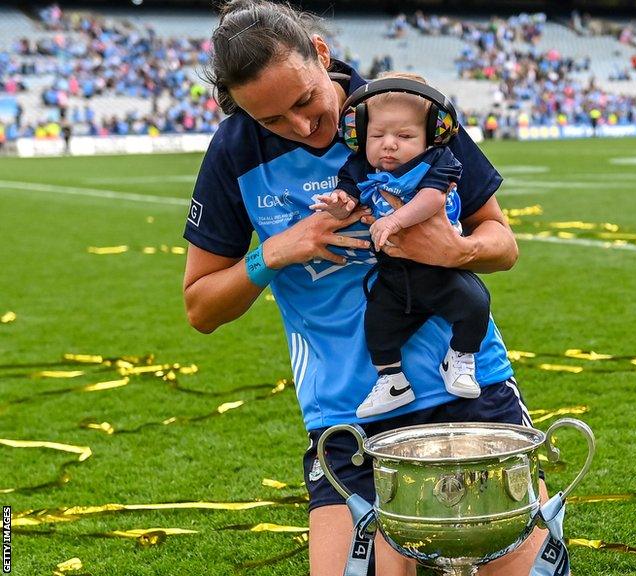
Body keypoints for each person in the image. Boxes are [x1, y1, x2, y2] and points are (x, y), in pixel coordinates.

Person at [181, 2, 548, 575]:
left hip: (469, 393)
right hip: (347, 414)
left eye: (304, 100)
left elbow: (502, 242)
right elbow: (201, 307)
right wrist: (276, 250)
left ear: (321, 56)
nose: (301, 127)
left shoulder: (404, 109)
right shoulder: (234, 153)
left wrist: (458, 251)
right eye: (272, 120)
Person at [312, 72, 487, 419]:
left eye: (405, 135)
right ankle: (392, 380)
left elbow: (432, 198)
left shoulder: (439, 161)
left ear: (431, 136)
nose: (389, 144)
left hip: (439, 266)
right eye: (377, 135)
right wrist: (338, 204)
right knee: (377, 325)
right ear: (361, 134)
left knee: (475, 304)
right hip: (394, 274)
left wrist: (393, 220)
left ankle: (460, 358)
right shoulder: (360, 165)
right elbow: (348, 194)